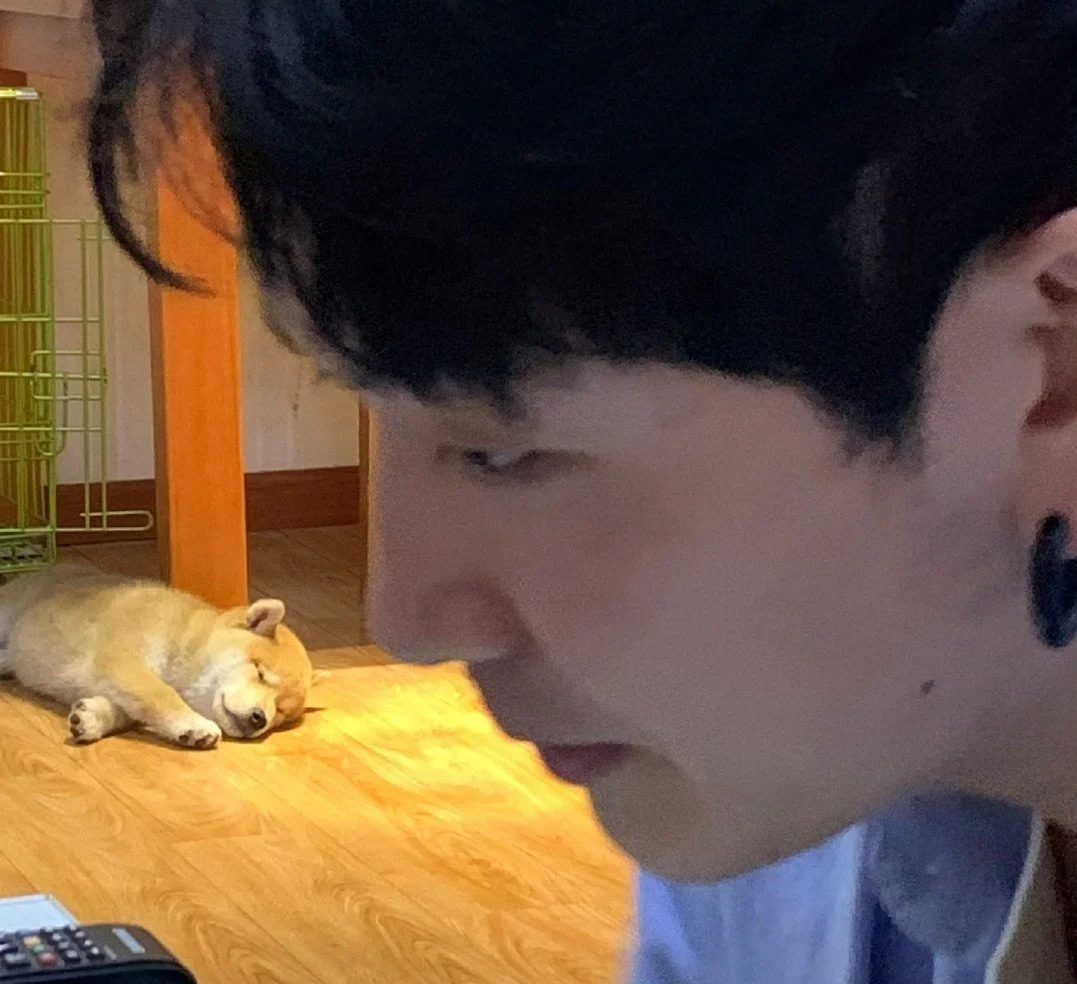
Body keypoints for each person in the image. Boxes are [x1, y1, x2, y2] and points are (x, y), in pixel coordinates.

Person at [84, 1, 1077, 980]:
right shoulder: (791, 781)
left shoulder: (794, 739)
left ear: (1057, 358)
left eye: (504, 453)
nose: (406, 622)